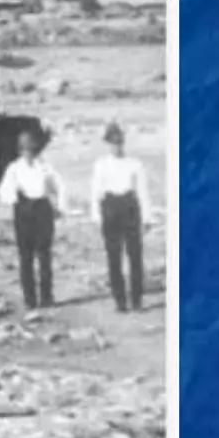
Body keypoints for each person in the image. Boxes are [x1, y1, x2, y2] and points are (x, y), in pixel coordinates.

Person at [0, 127, 69, 315]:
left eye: (32, 149)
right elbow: (4, 192)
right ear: (20, 150)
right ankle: (30, 299)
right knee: (25, 256)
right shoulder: (14, 169)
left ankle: (47, 296)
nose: (29, 153)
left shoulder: (45, 167)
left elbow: (61, 186)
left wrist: (60, 208)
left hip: (42, 209)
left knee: (44, 255)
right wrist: (15, 196)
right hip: (23, 211)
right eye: (25, 149)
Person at [90, 122, 152, 312]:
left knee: (135, 256)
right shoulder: (101, 165)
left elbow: (143, 191)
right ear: (107, 144)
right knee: (113, 257)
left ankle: (137, 300)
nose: (116, 146)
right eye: (113, 143)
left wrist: (147, 217)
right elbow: (96, 192)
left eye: (119, 143)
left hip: (130, 208)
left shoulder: (135, 164)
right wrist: (96, 217)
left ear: (123, 143)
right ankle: (120, 301)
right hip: (110, 209)